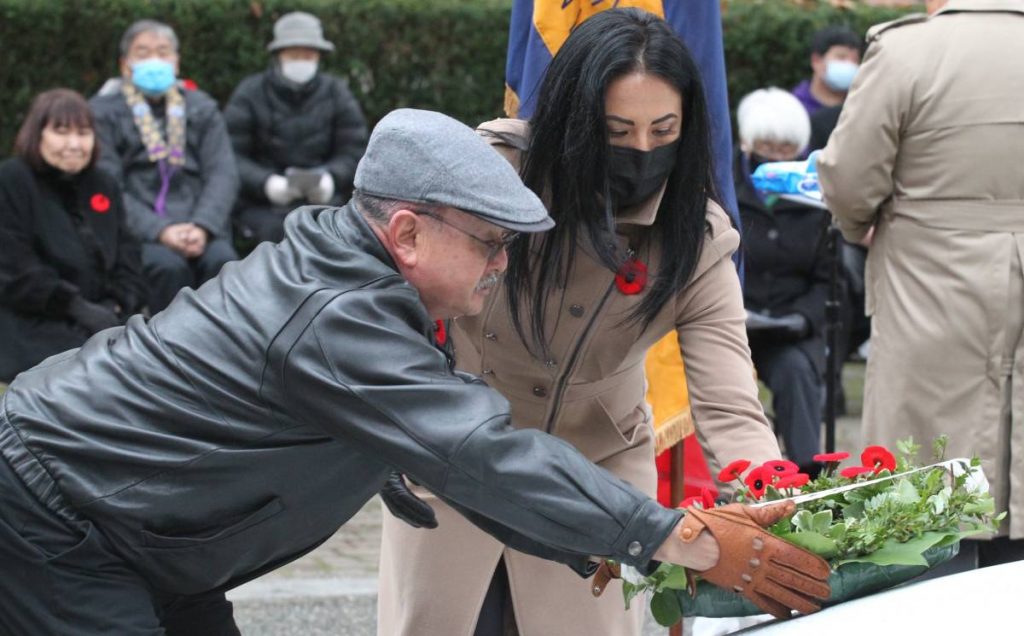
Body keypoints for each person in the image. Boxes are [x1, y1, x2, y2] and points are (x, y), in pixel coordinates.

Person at [0, 108, 830, 635]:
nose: (504, 266)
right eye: (491, 242)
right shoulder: (341, 317)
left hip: (135, 527)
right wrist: (674, 534)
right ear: (405, 232)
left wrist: (598, 541)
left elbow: (461, 467)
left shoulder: (356, 278)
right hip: (59, 518)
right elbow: (480, 452)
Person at [378, 10, 786, 636]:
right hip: (455, 455)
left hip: (599, 477)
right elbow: (385, 295)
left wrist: (774, 502)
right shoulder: (487, 177)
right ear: (574, 118)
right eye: (618, 130)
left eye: (664, 130)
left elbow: (730, 403)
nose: (643, 152)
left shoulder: (696, 240)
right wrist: (380, 431)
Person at [818, 0, 1024, 568]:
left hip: (930, 280)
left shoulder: (907, 50)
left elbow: (849, 179)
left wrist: (862, 226)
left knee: (930, 477)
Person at [90, 19, 239, 313]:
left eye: (163, 52)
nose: (154, 60)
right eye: (143, 53)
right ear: (125, 65)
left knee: (223, 262)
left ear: (176, 61)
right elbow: (108, 183)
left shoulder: (201, 107)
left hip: (200, 225)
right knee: (167, 268)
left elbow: (223, 173)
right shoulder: (102, 113)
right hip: (141, 230)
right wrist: (160, 230)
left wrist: (204, 226)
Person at [0, 89, 144, 382]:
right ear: (37, 134)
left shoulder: (103, 183)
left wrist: (116, 303)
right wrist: (75, 306)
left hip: (105, 315)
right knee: (85, 367)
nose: (74, 144)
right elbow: (14, 266)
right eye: (61, 132)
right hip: (36, 317)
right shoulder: (12, 179)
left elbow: (128, 253)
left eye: (83, 133)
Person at [734, 88, 830, 474]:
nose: (775, 157)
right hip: (731, 320)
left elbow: (829, 280)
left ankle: (810, 477)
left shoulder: (816, 200)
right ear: (747, 143)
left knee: (795, 373)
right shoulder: (726, 193)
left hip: (790, 324)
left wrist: (803, 319)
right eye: (766, 147)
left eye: (786, 148)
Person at [224, 11, 368, 246]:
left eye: (308, 55)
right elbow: (231, 154)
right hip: (262, 206)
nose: (301, 60)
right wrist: (266, 183)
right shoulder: (250, 93)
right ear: (279, 55)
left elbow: (354, 149)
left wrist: (331, 179)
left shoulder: (337, 93)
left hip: (327, 202)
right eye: (294, 54)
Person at [791, 25, 862, 117]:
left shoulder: (860, 109)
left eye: (855, 60)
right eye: (841, 57)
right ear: (816, 61)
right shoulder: (794, 108)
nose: (850, 65)